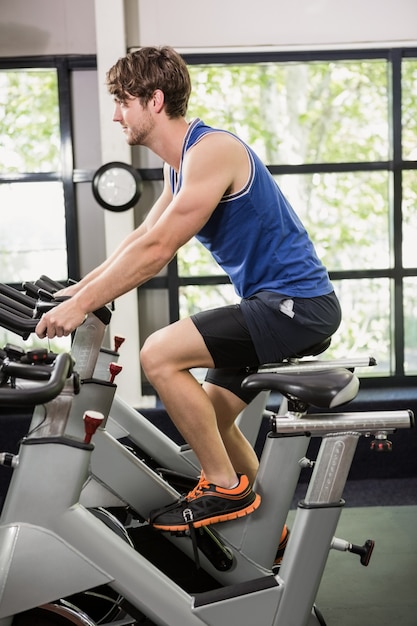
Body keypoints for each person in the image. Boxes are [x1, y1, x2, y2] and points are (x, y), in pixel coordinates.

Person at [35, 46, 341, 540]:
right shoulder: (179, 166)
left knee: (158, 355)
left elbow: (159, 250)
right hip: (269, 306)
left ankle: (224, 485)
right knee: (209, 422)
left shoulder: (212, 150)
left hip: (296, 308)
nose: (116, 114)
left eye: (123, 101)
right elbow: (139, 240)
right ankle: (269, 534)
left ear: (154, 101)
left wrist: (81, 305)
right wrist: (77, 292)